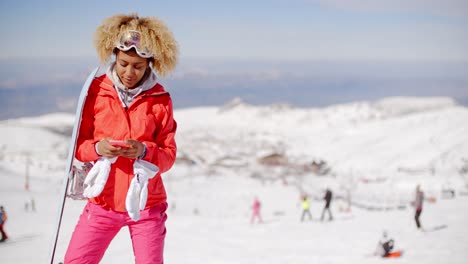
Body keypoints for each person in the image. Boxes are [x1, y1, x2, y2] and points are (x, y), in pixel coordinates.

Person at [64, 13, 178, 264]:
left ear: (149, 64)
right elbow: (79, 147)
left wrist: (144, 151)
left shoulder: (160, 100)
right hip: (102, 202)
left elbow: (168, 156)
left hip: (146, 205)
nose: (129, 72)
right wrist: (98, 148)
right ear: (115, 56)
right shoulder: (95, 92)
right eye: (124, 63)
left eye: (138, 66)